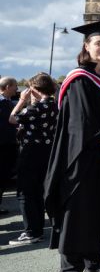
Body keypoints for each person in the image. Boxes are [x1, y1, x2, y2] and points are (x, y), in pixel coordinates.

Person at [44, 21, 100, 272]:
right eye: (97, 43)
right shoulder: (79, 78)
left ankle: (95, 263)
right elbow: (81, 118)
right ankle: (70, 270)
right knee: (77, 212)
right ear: (86, 46)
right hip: (81, 157)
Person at [8, 73, 58, 245]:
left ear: (35, 89)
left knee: (26, 193)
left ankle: (32, 231)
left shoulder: (35, 108)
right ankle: (39, 229)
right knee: (39, 192)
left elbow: (12, 118)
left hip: (30, 152)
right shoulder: (54, 105)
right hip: (47, 151)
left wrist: (22, 101)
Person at [0, 77, 19, 215]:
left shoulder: (8, 102)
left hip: (9, 145)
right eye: (15, 86)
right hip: (2, 146)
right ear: (7, 87)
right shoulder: (2, 103)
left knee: (3, 178)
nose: (17, 89)